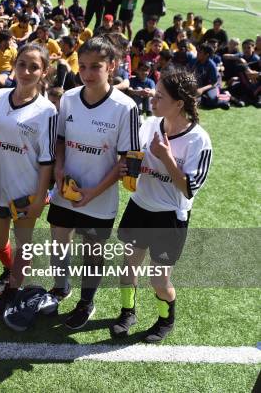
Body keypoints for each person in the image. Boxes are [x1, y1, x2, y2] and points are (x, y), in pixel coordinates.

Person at [111, 69, 212, 343]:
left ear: (179, 104)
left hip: (169, 218)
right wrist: (128, 165)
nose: (152, 100)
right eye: (153, 94)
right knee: (128, 267)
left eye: (159, 96)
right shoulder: (150, 124)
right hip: (139, 207)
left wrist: (167, 158)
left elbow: (190, 187)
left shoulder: (198, 140)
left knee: (158, 280)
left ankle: (165, 319)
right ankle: (127, 312)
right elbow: (134, 156)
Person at [48, 34, 140, 329]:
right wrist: (59, 170)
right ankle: (60, 288)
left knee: (92, 252)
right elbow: (60, 140)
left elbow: (126, 162)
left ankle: (86, 301)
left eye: (95, 67)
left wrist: (92, 193)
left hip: (99, 198)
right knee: (58, 242)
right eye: (83, 67)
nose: (87, 74)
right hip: (66, 191)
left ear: (111, 66)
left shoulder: (125, 107)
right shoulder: (70, 98)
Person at [0, 43, 57, 311]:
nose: (26, 71)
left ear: (44, 71)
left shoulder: (47, 111)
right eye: (22, 64)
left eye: (34, 66)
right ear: (14, 65)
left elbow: (47, 159)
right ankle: (11, 272)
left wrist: (39, 198)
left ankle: (13, 290)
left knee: (23, 245)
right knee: (0, 242)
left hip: (26, 192)